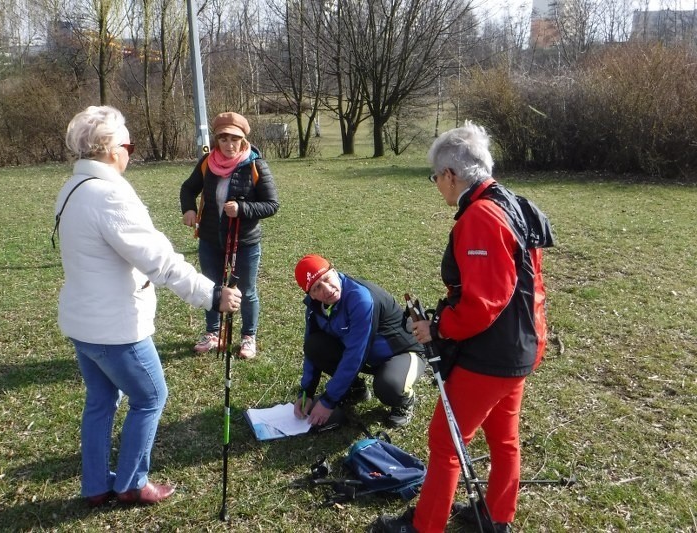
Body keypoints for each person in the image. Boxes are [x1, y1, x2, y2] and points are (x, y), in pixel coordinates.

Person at [54, 106, 241, 508]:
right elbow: (159, 260)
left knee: (101, 401)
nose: (130, 153)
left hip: (82, 322)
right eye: (128, 145)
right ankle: (131, 484)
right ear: (108, 148)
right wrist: (211, 294)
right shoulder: (108, 194)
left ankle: (95, 486)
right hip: (113, 326)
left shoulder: (72, 188)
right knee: (151, 396)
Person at [374, 122, 554, 533]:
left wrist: (438, 328)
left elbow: (482, 304)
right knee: (503, 438)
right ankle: (496, 516)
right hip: (520, 345)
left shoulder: (481, 217)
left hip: (490, 354)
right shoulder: (511, 202)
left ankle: (425, 525)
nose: (437, 185)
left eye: (435, 177)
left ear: (451, 175)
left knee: (445, 440)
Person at [180, 112, 279, 360]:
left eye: (234, 139)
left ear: (243, 141)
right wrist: (189, 208)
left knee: (245, 289)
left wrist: (243, 209)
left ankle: (248, 336)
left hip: (245, 242)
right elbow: (188, 188)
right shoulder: (207, 163)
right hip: (211, 239)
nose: (229, 145)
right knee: (211, 288)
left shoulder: (256, 164)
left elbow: (272, 204)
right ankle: (212, 333)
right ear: (217, 141)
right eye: (223, 139)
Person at [291, 254, 426, 428]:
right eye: (316, 288)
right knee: (314, 346)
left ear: (334, 270)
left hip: (402, 352)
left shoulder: (360, 298)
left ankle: (405, 400)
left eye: (327, 278)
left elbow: (356, 354)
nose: (326, 289)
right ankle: (356, 389)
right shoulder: (314, 308)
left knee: (389, 387)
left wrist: (328, 401)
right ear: (311, 295)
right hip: (366, 354)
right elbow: (311, 351)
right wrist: (306, 392)